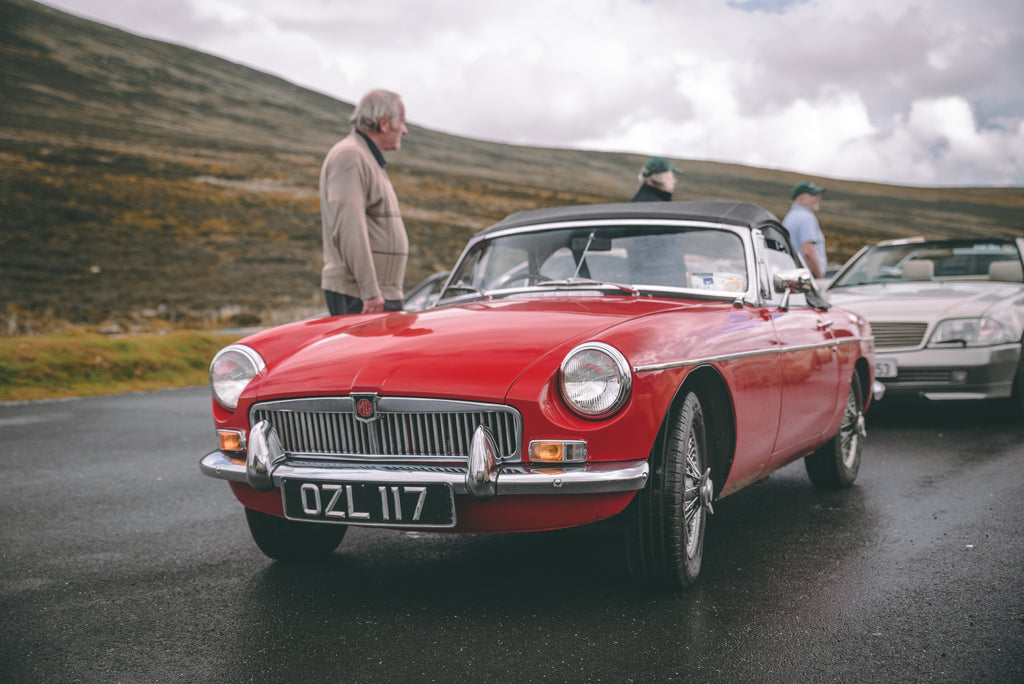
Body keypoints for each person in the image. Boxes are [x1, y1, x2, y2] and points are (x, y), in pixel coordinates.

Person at [319, 89, 409, 315]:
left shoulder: (365, 157)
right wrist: (369, 292)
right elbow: (348, 227)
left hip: (374, 294)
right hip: (362, 296)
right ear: (384, 123)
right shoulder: (350, 156)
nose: (405, 130)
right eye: (402, 121)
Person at [782, 180, 827, 279]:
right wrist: (820, 278)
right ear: (801, 198)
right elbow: (808, 252)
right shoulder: (806, 217)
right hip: (809, 279)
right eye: (813, 195)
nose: (818, 197)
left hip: (794, 276)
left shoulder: (790, 216)